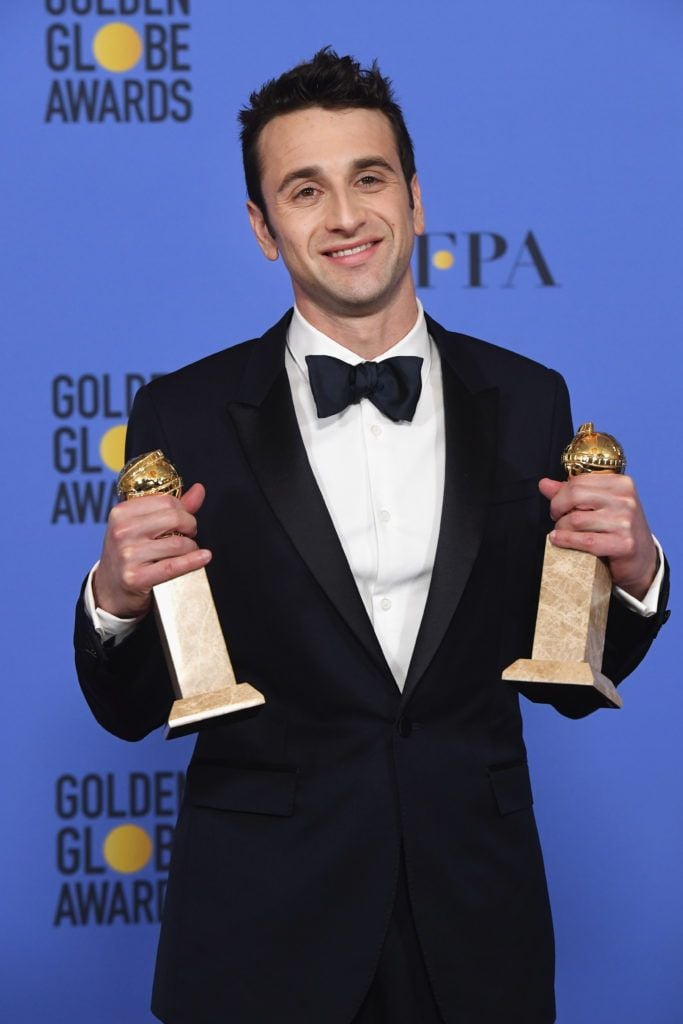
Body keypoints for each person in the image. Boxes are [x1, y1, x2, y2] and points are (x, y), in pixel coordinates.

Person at [74, 48, 669, 1024]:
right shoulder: (181, 413)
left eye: (368, 178)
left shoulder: (528, 399)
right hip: (262, 933)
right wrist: (116, 602)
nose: (344, 217)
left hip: (476, 929)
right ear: (263, 230)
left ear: (416, 196)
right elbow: (132, 706)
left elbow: (567, 680)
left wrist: (636, 572)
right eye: (303, 191)